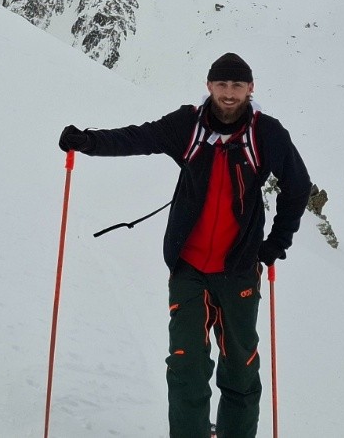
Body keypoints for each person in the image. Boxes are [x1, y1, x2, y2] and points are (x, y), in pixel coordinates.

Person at [58, 52, 311, 438]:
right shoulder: (188, 126)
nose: (229, 93)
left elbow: (297, 187)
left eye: (237, 86)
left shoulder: (266, 134)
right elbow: (137, 137)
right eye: (222, 85)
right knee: (186, 367)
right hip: (188, 270)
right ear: (209, 86)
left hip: (239, 270)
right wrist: (87, 142)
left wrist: (277, 242)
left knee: (241, 369)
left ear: (250, 88)